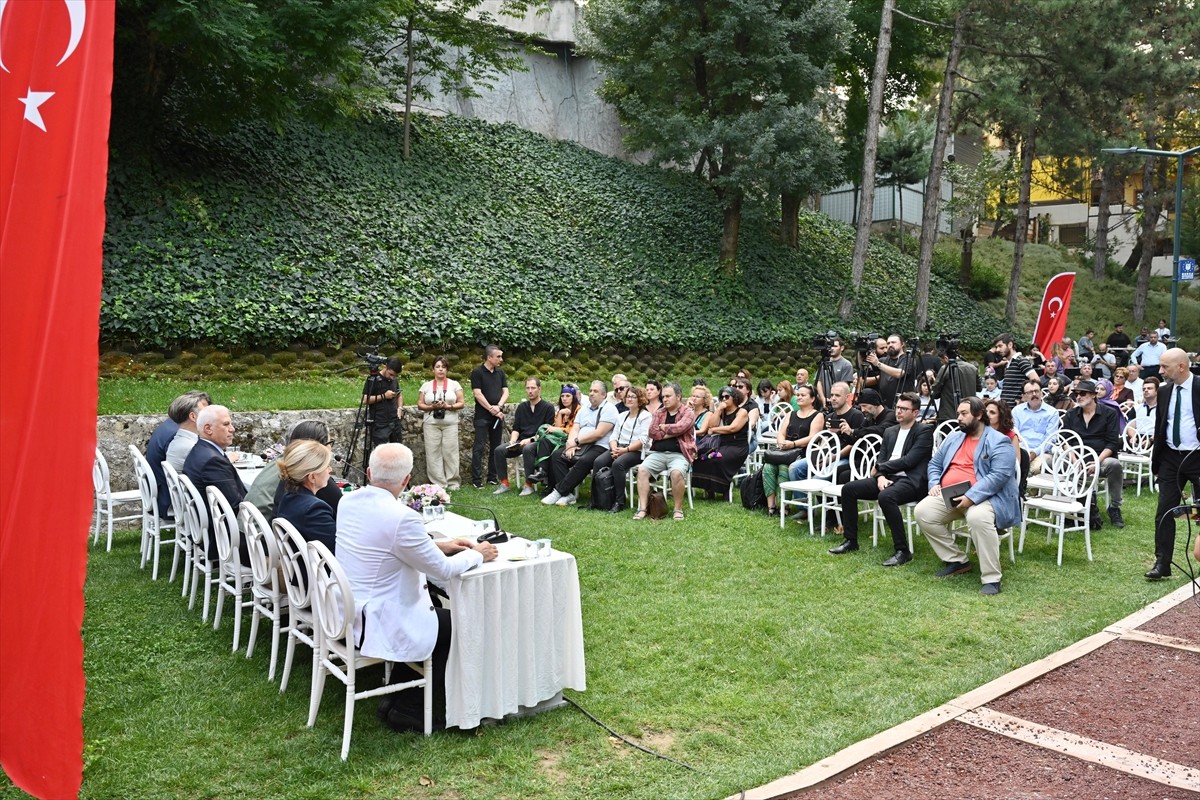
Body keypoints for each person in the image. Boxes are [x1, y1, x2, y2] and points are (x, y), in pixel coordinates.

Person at [335, 443, 497, 732]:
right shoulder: (402, 517)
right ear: (407, 480)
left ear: (370, 472)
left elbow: (384, 545)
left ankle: (397, 697)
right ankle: (410, 707)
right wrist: (478, 554)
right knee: (457, 621)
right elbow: (443, 570)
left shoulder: (348, 501)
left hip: (349, 609)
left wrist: (439, 545)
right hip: (380, 617)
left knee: (440, 617)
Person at [914, 398, 1020, 596]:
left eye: (964, 414)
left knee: (977, 517)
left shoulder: (999, 441)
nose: (959, 419)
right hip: (951, 495)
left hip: (987, 497)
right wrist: (934, 483)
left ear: (979, 415)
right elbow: (934, 464)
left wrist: (971, 496)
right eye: (958, 414)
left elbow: (1000, 476)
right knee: (923, 512)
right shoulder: (954, 438)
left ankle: (991, 578)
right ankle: (956, 560)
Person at [829, 393, 933, 565]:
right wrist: (880, 476)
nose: (898, 412)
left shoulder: (924, 431)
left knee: (886, 496)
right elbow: (881, 458)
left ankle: (902, 550)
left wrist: (879, 469)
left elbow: (910, 460)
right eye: (898, 407)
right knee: (848, 488)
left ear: (915, 413)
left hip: (911, 480)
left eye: (904, 409)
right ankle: (851, 541)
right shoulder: (890, 431)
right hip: (887, 477)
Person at [1146, 348, 1199, 580]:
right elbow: (1161, 425)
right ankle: (1162, 562)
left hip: (1197, 457)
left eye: (1165, 367)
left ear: (1181, 366)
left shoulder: (1199, 387)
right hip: (1170, 458)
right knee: (1164, 512)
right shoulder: (1165, 391)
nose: (1160, 371)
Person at [542, 381, 618, 506]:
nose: (592, 393)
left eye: (596, 391)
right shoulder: (584, 409)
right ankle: (568, 495)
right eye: (591, 390)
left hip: (600, 446)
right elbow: (575, 429)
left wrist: (577, 441)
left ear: (604, 395)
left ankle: (559, 491)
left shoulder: (609, 409)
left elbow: (599, 433)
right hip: (581, 444)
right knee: (558, 456)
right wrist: (570, 444)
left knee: (584, 460)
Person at [247, 420, 343, 519]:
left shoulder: (287, 470)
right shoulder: (313, 480)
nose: (331, 448)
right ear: (318, 447)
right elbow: (342, 512)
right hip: (263, 530)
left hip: (256, 526)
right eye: (330, 442)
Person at [182, 404, 245, 558]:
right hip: (223, 538)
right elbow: (235, 506)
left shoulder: (201, 450)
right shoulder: (212, 461)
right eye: (226, 424)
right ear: (208, 429)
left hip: (210, 530)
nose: (232, 429)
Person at [1061, 379, 1124, 529]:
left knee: (1114, 465)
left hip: (1101, 458)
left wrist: (1096, 461)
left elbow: (1112, 443)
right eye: (1076, 394)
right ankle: (1072, 505)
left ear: (1093, 395)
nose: (1078, 397)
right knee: (1057, 463)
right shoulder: (1071, 414)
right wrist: (1074, 459)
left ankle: (1115, 507)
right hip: (1076, 458)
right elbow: (1064, 438)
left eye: (1082, 393)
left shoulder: (1109, 414)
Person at [635, 383, 696, 521]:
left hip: (680, 453)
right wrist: (671, 431)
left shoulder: (688, 412)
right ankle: (643, 508)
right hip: (658, 453)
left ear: (678, 396)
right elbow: (652, 432)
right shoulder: (659, 412)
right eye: (663, 397)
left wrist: (663, 427)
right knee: (642, 470)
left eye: (668, 396)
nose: (665, 399)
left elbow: (681, 427)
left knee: (676, 473)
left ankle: (677, 509)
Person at [762, 385, 824, 516]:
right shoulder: (791, 414)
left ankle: (786, 506)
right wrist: (781, 442)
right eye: (798, 395)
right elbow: (781, 432)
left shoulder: (818, 416)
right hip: (785, 451)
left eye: (803, 395)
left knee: (784, 468)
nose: (799, 397)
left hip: (804, 453)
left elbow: (813, 437)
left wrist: (793, 444)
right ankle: (771, 507)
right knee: (768, 467)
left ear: (812, 399)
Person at [146, 390, 210, 519]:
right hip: (171, 501)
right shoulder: (177, 437)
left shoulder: (171, 428)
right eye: (206, 412)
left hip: (163, 493)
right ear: (192, 416)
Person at [492, 377, 556, 496]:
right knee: (499, 450)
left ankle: (528, 485)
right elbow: (516, 428)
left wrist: (531, 440)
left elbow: (547, 432)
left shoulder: (548, 407)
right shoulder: (522, 407)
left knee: (528, 449)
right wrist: (512, 441)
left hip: (539, 442)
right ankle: (504, 483)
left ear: (539, 389)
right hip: (521, 441)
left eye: (533, 388)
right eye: (528, 388)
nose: (530, 391)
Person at [592, 385, 651, 512]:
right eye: (628, 396)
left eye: (633, 397)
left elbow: (643, 440)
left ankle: (619, 501)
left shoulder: (645, 416)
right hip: (618, 448)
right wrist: (614, 448)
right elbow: (614, 436)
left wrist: (625, 450)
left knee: (618, 464)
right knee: (598, 461)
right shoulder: (622, 415)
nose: (629, 399)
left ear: (640, 399)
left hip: (636, 451)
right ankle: (597, 499)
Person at [274, 439, 337, 554]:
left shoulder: (288, 496)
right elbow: (338, 549)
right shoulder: (314, 510)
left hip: (298, 566)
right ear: (312, 477)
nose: (330, 469)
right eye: (327, 466)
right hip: (315, 570)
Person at [692, 387, 750, 500]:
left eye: (727, 397)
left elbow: (733, 428)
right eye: (722, 397)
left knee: (719, 460)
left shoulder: (742, 412)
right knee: (702, 458)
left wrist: (715, 430)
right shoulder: (722, 411)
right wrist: (718, 410)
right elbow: (712, 425)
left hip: (738, 446)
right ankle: (710, 489)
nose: (724, 399)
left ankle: (725, 489)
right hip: (722, 444)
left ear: (735, 398)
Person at [417, 356, 465, 491]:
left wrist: (448, 406)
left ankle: (453, 482)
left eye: (443, 367)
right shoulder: (426, 386)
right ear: (433, 369)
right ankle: (438, 483)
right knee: (433, 453)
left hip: (450, 422)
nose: (440, 369)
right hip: (431, 423)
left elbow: (461, 403)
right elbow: (420, 404)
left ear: (447, 369)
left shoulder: (454, 384)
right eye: (437, 367)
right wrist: (432, 407)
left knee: (451, 452)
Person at [469, 345, 509, 488]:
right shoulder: (477, 372)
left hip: (497, 415)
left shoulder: (500, 373)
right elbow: (477, 394)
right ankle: (476, 480)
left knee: (496, 447)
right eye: (498, 356)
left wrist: (499, 406)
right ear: (489, 357)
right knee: (479, 447)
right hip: (482, 416)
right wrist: (491, 409)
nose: (501, 359)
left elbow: (505, 392)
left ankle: (492, 477)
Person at [528, 384, 580, 486]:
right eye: (562, 396)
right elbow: (557, 428)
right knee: (544, 441)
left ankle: (546, 477)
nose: (564, 399)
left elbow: (572, 430)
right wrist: (560, 413)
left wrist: (558, 429)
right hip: (560, 439)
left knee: (552, 451)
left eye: (568, 396)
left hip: (572, 441)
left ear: (574, 397)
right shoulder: (561, 410)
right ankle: (543, 472)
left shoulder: (579, 410)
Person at [1012, 380, 1059, 475]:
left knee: (1035, 468)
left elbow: (1050, 439)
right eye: (1030, 392)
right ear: (1024, 396)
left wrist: (1035, 452)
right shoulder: (1017, 411)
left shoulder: (1052, 412)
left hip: (1042, 452)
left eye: (1036, 391)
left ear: (1041, 393)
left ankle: (1029, 489)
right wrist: (1021, 452)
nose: (1034, 394)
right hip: (1019, 450)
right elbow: (1014, 434)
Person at [363, 357, 404, 449]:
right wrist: (384, 396)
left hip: (394, 421)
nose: (392, 377)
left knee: (398, 451)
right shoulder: (373, 379)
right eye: (391, 374)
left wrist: (400, 408)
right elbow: (365, 399)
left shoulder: (394, 379)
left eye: (395, 376)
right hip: (379, 423)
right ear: (386, 367)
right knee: (382, 453)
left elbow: (399, 395)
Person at [166, 391, 213, 471]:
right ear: (193, 417)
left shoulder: (180, 440)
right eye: (205, 413)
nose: (210, 416)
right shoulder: (191, 447)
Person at [930, 350, 981, 422]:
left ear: (946, 358)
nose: (942, 363)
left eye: (941, 361)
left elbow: (935, 392)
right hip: (969, 412)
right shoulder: (973, 368)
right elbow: (979, 388)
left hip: (949, 414)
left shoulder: (945, 368)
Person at [863, 333, 910, 408]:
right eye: (888, 343)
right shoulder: (883, 360)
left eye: (893, 342)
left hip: (902, 403)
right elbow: (863, 365)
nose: (890, 345)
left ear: (902, 344)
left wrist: (878, 364)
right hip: (884, 403)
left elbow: (899, 373)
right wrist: (862, 351)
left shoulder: (907, 359)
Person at [994, 334, 1038, 409]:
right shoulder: (1009, 363)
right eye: (996, 347)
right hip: (1005, 408)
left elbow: (1036, 380)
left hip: (1015, 409)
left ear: (1010, 345)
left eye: (1000, 346)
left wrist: (1024, 399)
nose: (997, 349)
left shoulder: (1020, 360)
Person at [816, 337, 855, 404]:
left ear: (842, 348)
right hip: (822, 401)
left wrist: (833, 398)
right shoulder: (823, 362)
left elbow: (844, 386)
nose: (832, 348)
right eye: (831, 346)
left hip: (838, 402)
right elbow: (819, 381)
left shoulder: (846, 364)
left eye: (835, 346)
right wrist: (823, 398)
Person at [1125, 377, 1159, 441]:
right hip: (1137, 436)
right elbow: (1130, 427)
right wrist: (1133, 437)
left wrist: (1151, 440)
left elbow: (1162, 429)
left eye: (1149, 388)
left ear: (1157, 391)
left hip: (1155, 438)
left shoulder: (1162, 409)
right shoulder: (1136, 408)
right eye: (1144, 389)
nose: (1146, 390)